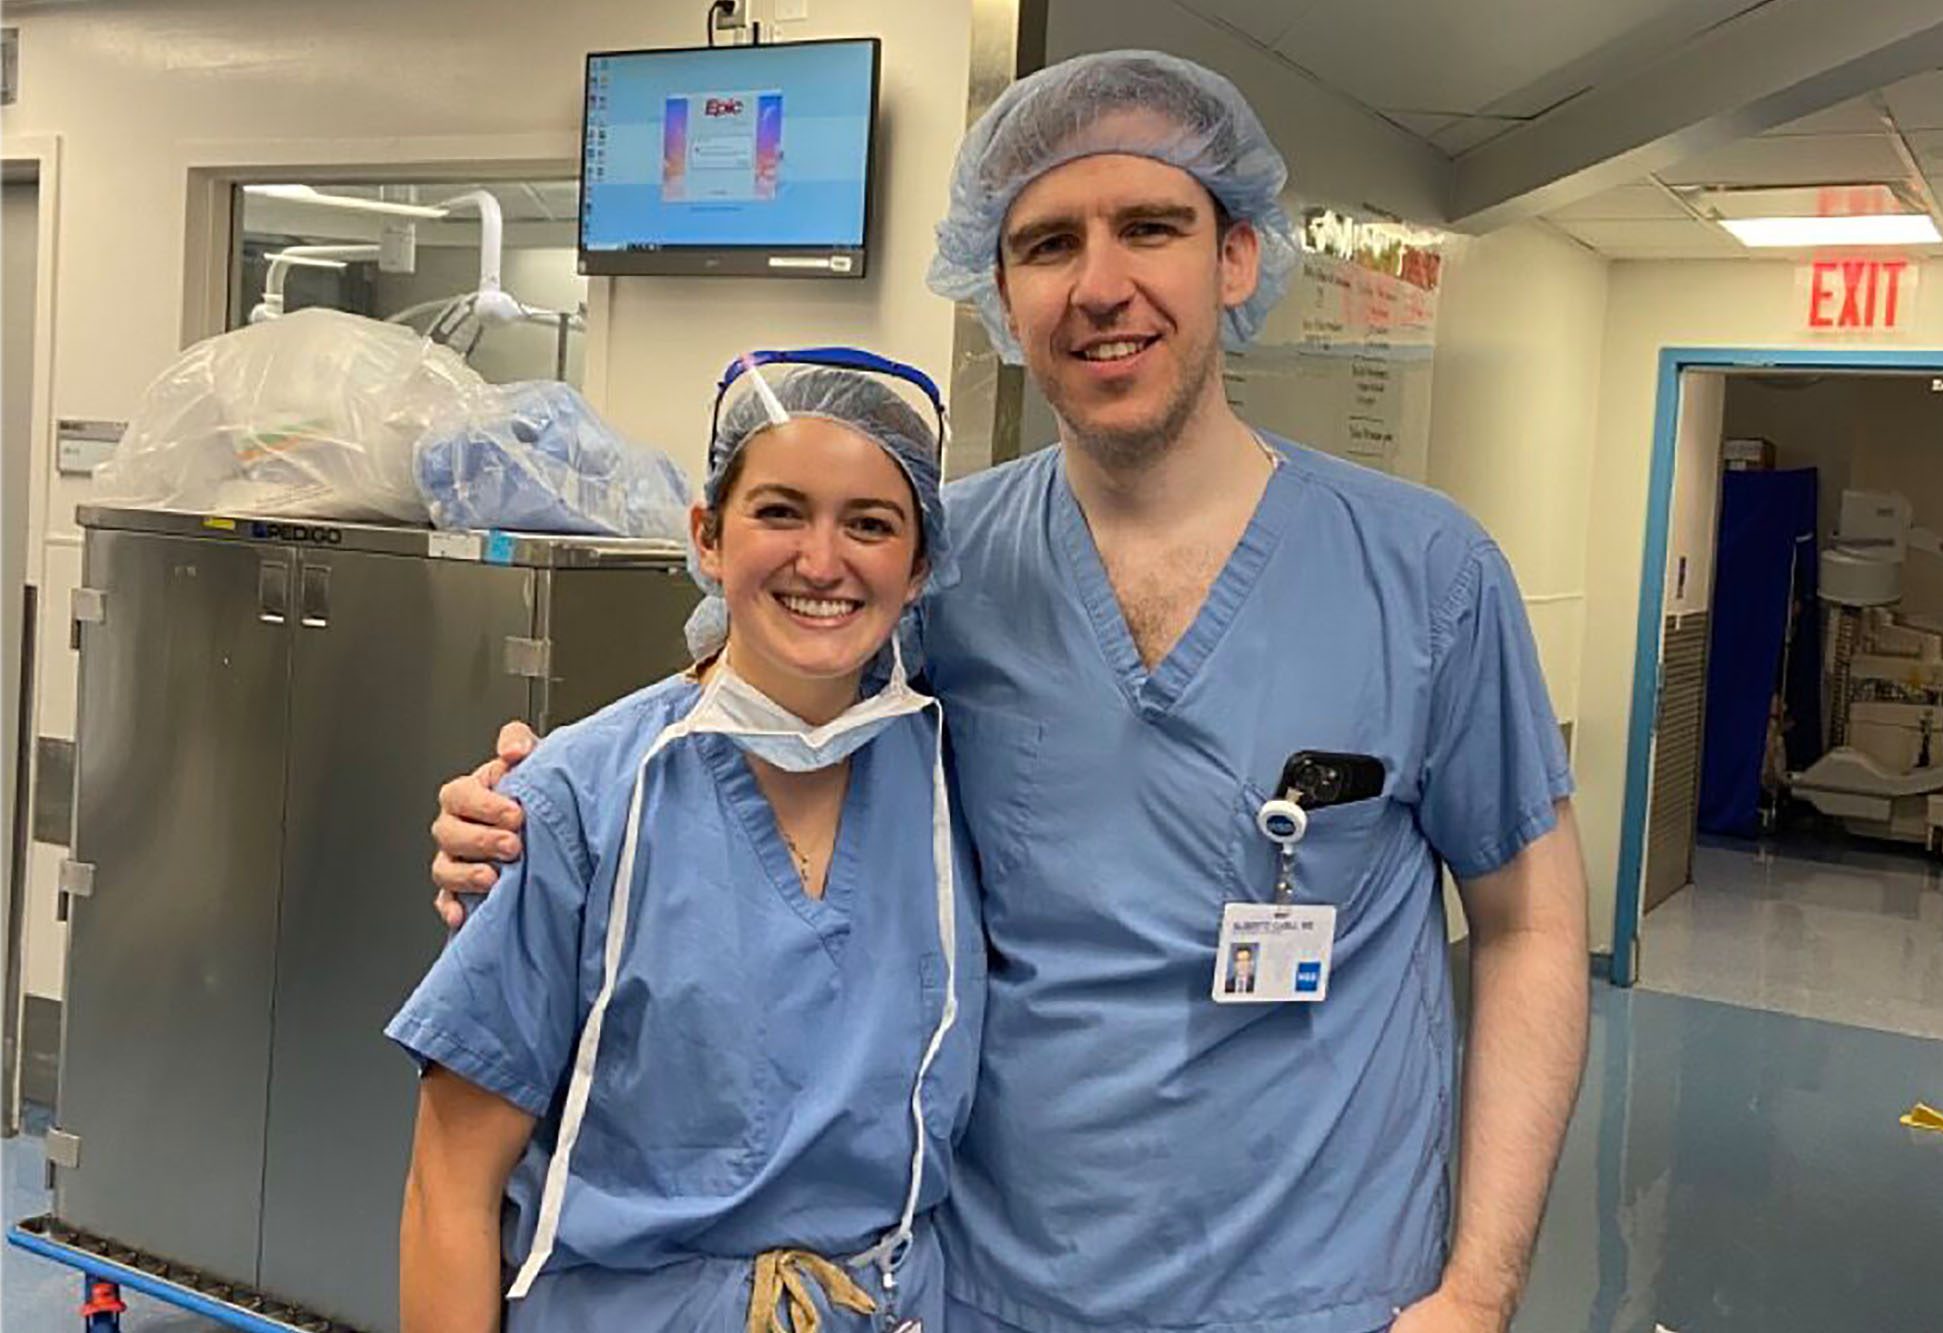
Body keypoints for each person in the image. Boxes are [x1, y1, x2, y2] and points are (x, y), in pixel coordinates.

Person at [433, 50, 1588, 1333]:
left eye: (1150, 226)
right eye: (1047, 243)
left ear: (1238, 258)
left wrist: (1477, 1290)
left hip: (1324, 1294)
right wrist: (526, 816)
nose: (1101, 286)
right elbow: (725, 718)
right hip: (994, 1291)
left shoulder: (1423, 574)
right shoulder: (938, 571)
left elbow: (1530, 927)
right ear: (999, 287)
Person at [393, 353, 984, 1333]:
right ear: (708, 536)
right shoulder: (574, 801)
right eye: (780, 511)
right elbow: (447, 1187)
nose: (822, 559)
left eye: (870, 524)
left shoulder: (951, 786)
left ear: (918, 566)